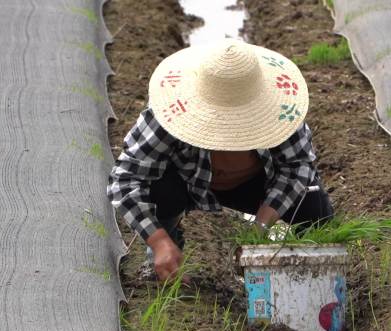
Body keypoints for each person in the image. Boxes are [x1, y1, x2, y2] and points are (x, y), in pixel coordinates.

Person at [107, 39, 333, 282]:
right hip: (186, 181)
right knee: (157, 189)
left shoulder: (282, 111)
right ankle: (167, 249)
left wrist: (261, 228)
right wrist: (159, 241)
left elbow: (297, 166)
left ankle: (306, 276)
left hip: (254, 183)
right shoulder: (169, 113)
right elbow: (125, 179)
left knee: (313, 206)